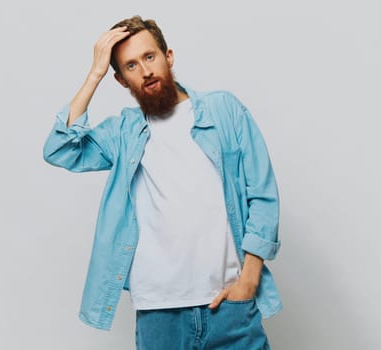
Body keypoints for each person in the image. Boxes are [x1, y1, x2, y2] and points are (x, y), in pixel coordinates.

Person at [43, 15, 281, 350]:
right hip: (158, 314)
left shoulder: (224, 110)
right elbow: (59, 149)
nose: (145, 71)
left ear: (168, 56)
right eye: (131, 66)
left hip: (230, 305)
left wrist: (249, 280)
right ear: (121, 80)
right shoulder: (123, 133)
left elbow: (263, 194)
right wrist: (95, 73)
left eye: (149, 57)